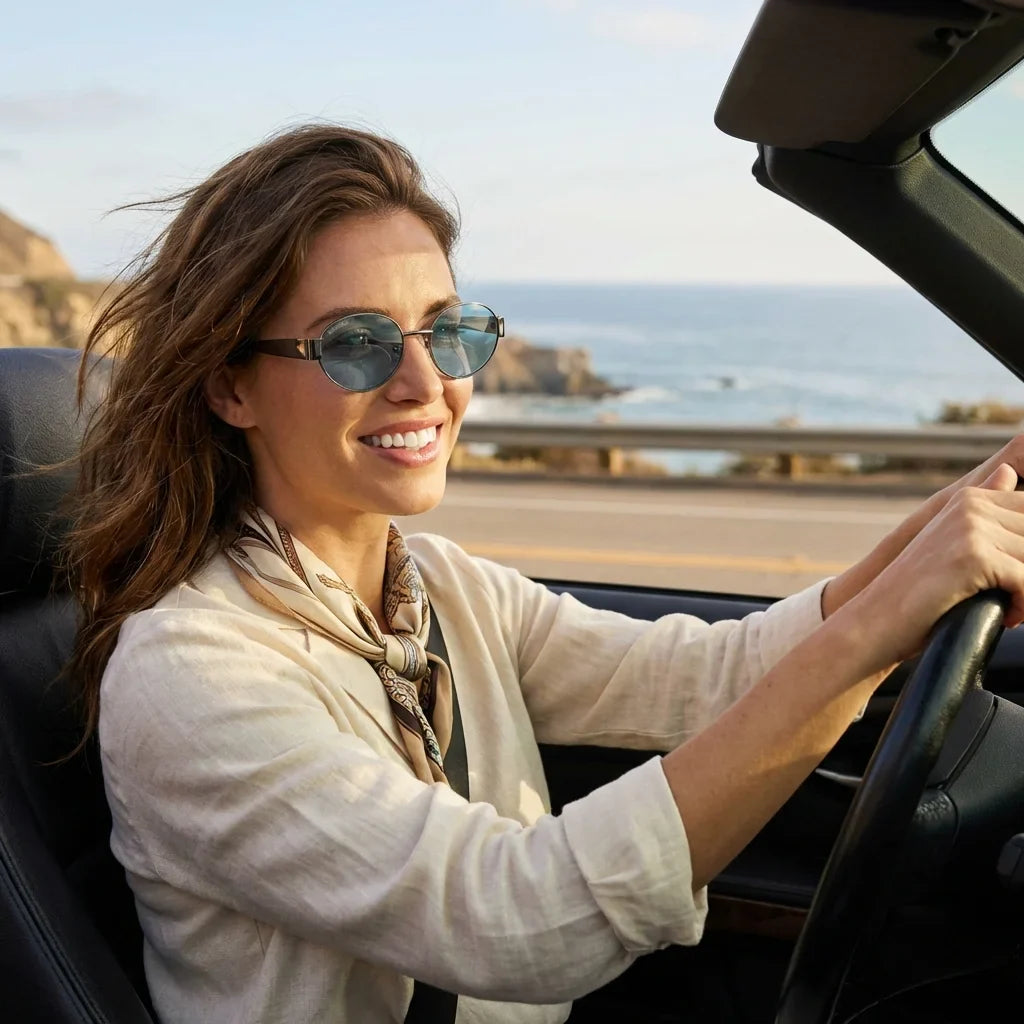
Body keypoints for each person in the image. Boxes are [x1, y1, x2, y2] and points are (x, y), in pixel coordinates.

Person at [64, 123, 1024, 1024]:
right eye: (356, 343)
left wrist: (977, 506)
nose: (424, 383)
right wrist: (881, 621)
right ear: (230, 385)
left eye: (448, 331)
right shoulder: (191, 670)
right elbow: (519, 918)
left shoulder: (439, 589)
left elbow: (711, 678)